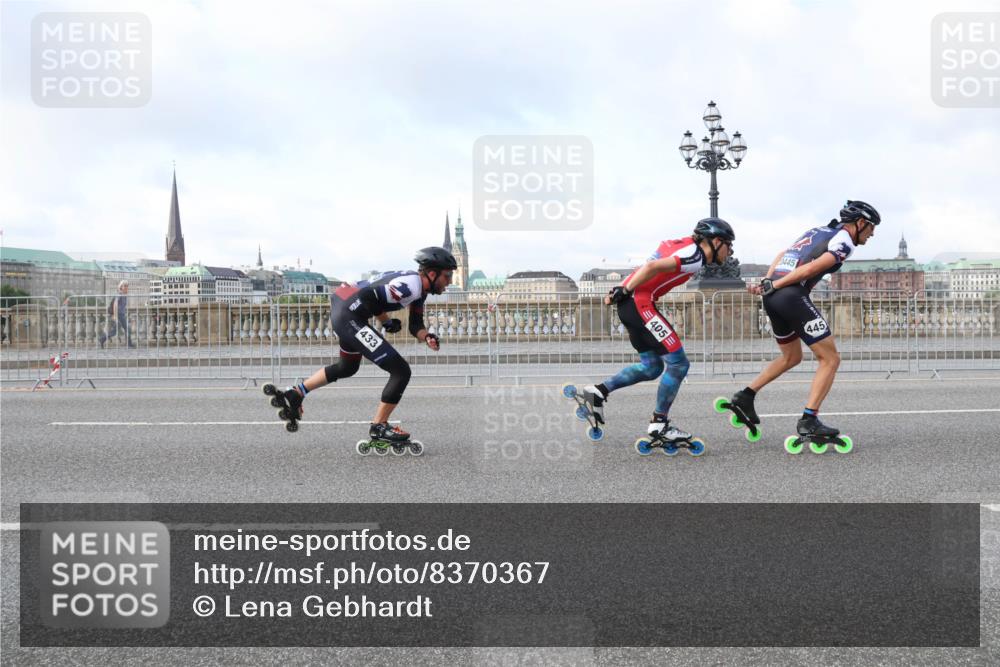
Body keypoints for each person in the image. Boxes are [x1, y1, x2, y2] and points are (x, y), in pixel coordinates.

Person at [724, 200, 880, 442]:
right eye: (871, 227)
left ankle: (745, 396)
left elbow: (781, 255)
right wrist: (775, 284)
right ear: (860, 223)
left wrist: (768, 282)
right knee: (830, 358)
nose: (872, 233)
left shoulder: (818, 231)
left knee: (792, 357)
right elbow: (810, 270)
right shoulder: (844, 241)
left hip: (774, 298)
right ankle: (809, 419)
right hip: (791, 296)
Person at [272, 247, 455, 442]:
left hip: (345, 308)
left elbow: (415, 325)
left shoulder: (420, 290)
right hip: (349, 315)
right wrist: (386, 321)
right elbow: (368, 296)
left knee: (348, 367)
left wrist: (426, 336)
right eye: (447, 275)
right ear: (432, 274)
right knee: (401, 371)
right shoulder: (411, 286)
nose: (450, 281)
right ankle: (379, 426)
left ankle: (296, 392)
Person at [580, 217, 735, 440]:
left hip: (631, 305)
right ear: (717, 241)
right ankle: (659, 424)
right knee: (679, 364)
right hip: (640, 304)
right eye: (729, 246)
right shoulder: (694, 255)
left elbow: (648, 264)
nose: (729, 253)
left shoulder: (681, 244)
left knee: (652, 367)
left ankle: (598, 392)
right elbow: (652, 266)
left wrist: (621, 290)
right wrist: (624, 290)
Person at [99, 280, 133, 348]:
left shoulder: (124, 295)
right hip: (117, 315)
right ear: (121, 287)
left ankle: (129, 344)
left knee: (128, 329)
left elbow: (123, 306)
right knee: (116, 331)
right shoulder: (119, 294)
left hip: (122, 315)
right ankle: (102, 339)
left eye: (127, 286)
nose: (126, 287)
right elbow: (115, 305)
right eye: (125, 286)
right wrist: (115, 316)